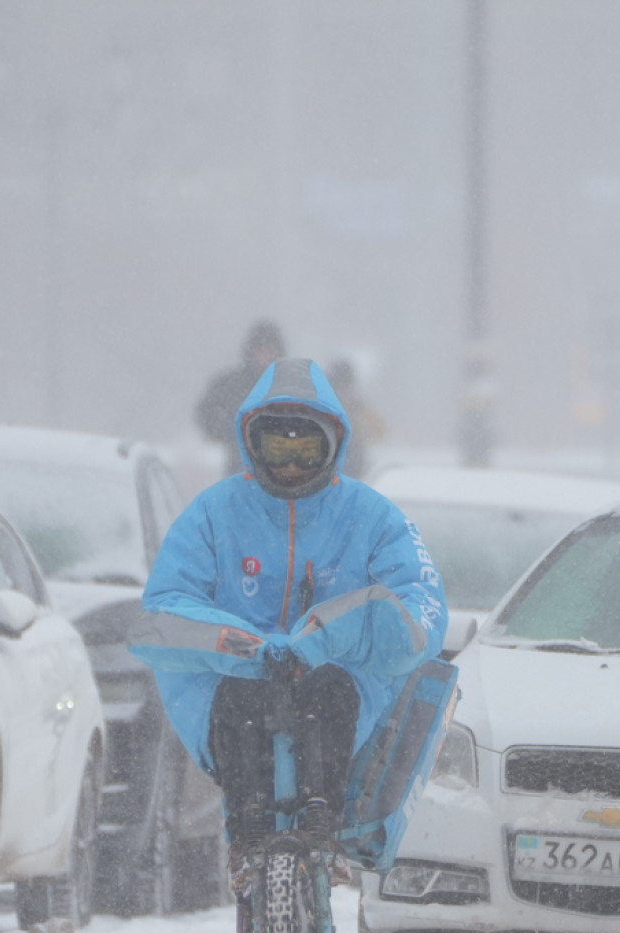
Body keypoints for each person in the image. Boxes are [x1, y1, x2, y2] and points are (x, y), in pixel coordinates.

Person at [131, 358, 447, 860]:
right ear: (252, 444)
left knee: (331, 691)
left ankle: (323, 819)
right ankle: (246, 828)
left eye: (307, 449)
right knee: (239, 699)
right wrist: (237, 646)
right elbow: (163, 610)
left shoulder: (375, 518)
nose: (292, 465)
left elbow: (420, 606)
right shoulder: (212, 514)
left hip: (335, 679)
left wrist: (332, 636)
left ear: (335, 445)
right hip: (230, 678)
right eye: (279, 448)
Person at [195, 321, 285, 477]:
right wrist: (235, 431)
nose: (264, 356)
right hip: (241, 471)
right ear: (250, 352)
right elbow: (206, 415)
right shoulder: (231, 385)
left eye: (269, 350)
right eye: (260, 350)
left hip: (288, 472)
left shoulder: (289, 385)